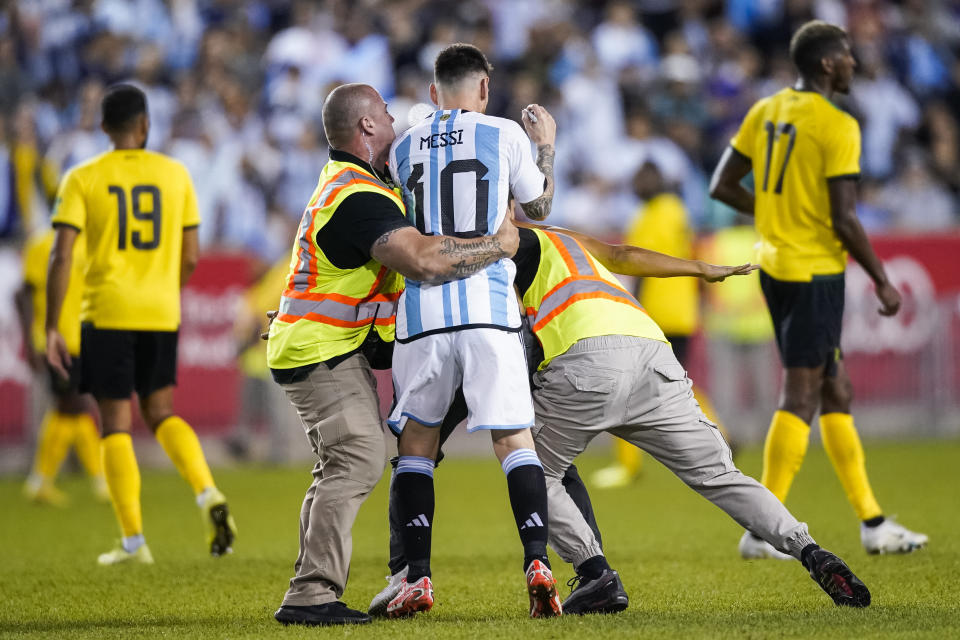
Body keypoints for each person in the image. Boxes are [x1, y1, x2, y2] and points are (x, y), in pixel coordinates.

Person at [266, 82, 519, 628]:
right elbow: (425, 261)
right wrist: (498, 245)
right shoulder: (359, 197)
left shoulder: (348, 186)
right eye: (384, 110)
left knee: (340, 462)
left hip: (319, 344)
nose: (393, 116)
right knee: (357, 455)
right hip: (322, 348)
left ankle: (312, 587)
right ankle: (311, 597)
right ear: (366, 128)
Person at [515, 222, 871, 610]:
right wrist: (701, 268)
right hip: (651, 350)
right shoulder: (562, 237)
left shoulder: (502, 240)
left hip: (585, 359)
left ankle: (594, 571)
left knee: (530, 469)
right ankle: (810, 551)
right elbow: (623, 256)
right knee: (721, 475)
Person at [709, 20, 928, 558]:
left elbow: (722, 185)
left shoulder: (767, 109)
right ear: (829, 64)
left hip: (776, 266)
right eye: (849, 55)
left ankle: (873, 523)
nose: (854, 62)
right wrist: (882, 278)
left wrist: (775, 211)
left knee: (836, 390)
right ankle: (761, 530)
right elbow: (845, 218)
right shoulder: (837, 124)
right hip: (813, 272)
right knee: (802, 394)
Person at [385, 43, 561, 619]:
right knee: (513, 441)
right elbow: (536, 211)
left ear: (433, 93)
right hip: (488, 307)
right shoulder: (506, 132)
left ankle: (417, 577)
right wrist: (546, 148)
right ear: (483, 89)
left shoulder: (401, 146)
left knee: (416, 447)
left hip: (423, 314)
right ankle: (537, 560)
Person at [45, 84, 237, 565]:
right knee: (162, 412)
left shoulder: (82, 177)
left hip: (106, 310)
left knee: (114, 422)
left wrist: (51, 325)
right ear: (145, 125)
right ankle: (207, 490)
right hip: (159, 310)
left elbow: (61, 253)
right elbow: (191, 254)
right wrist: (163, 291)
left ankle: (133, 541)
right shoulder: (175, 174)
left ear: (104, 127)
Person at [592, 161, 727, 489]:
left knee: (622, 382)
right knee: (677, 380)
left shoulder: (651, 216)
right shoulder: (678, 211)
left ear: (653, 181)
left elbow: (636, 262)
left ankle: (628, 464)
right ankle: (720, 435)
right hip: (682, 311)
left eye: (640, 179)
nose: (635, 186)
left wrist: (630, 306)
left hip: (656, 311)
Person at [17, 225, 106, 505]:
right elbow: (22, 295)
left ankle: (43, 481)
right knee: (75, 405)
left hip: (82, 339)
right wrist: (32, 341)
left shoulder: (89, 245)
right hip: (56, 341)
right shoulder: (42, 245)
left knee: (70, 409)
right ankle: (98, 479)